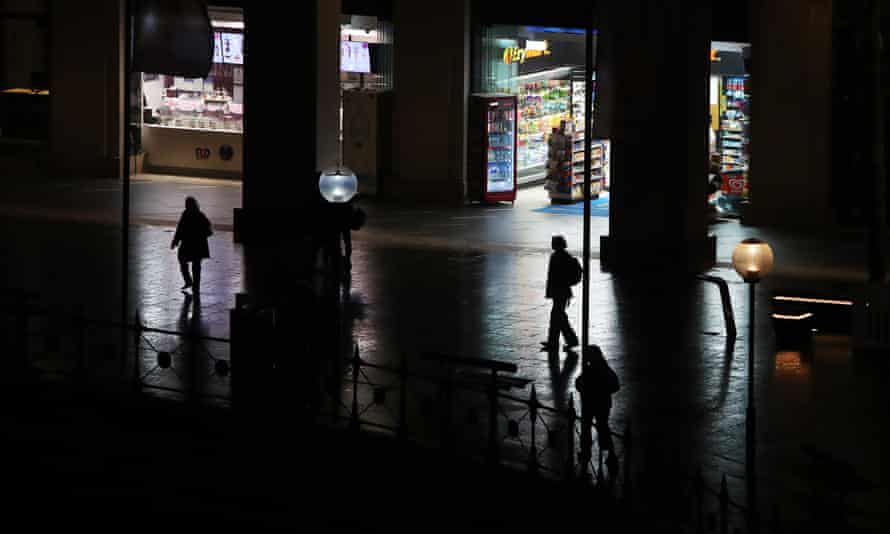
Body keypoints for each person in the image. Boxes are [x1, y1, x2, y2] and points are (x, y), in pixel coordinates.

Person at [575, 345, 620, 476]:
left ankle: (594, 452)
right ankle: (607, 453)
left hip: (596, 403)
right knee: (600, 427)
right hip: (599, 404)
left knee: (596, 427)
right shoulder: (599, 368)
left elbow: (579, 382)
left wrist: (597, 390)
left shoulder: (598, 369)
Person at [541, 235, 580, 353]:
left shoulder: (559, 257)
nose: (551, 244)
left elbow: (554, 277)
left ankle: (562, 341)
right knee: (558, 317)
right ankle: (559, 341)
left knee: (558, 317)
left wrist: (551, 291)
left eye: (553, 242)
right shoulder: (562, 256)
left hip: (559, 292)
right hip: (562, 292)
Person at [171, 196, 212, 293]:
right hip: (198, 245)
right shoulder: (199, 215)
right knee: (196, 266)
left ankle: (189, 281)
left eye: (187, 204)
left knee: (183, 260)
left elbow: (180, 229)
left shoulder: (186, 214)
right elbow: (209, 230)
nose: (186, 206)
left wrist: (175, 241)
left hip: (188, 243)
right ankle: (195, 285)